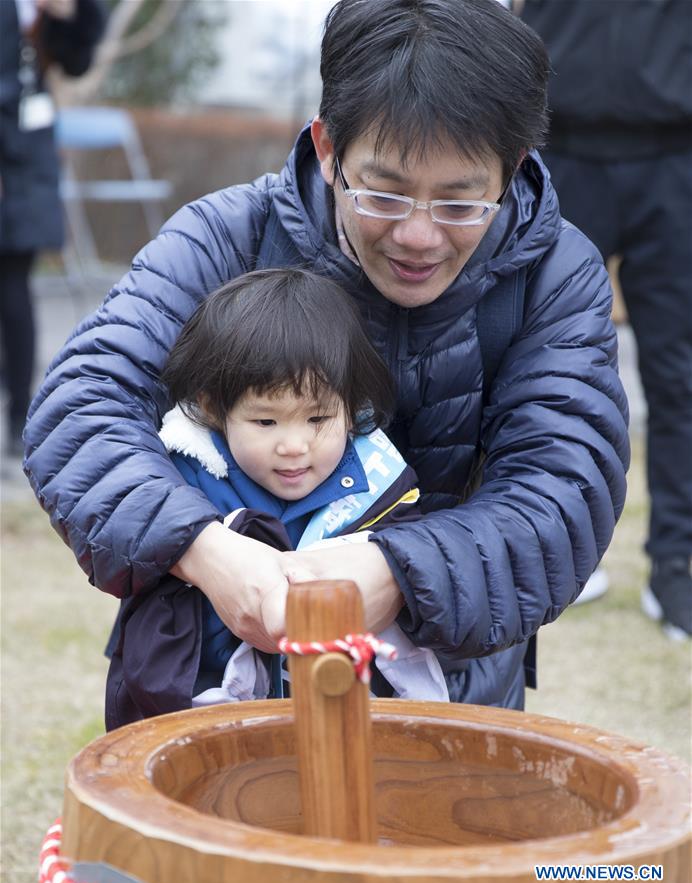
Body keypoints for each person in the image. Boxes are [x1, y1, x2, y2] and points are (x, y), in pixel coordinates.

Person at [24, 0, 630, 713]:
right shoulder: (228, 238)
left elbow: (563, 490)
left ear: (514, 169)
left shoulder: (555, 273)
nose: (418, 236)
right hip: (213, 684)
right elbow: (79, 406)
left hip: (450, 693)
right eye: (385, 192)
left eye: (461, 203)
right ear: (325, 147)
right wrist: (205, 548)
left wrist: (395, 569)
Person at [106, 267, 451, 727]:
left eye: (317, 418)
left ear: (352, 409)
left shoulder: (383, 486)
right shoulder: (181, 485)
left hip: (345, 718)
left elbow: (420, 588)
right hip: (209, 719)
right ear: (213, 409)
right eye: (266, 422)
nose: (294, 445)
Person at [519, 0, 692, 640]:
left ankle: (674, 564)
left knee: (679, 374)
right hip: (560, 146)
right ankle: (547, 545)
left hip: (676, 155)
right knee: (535, 359)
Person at [0, 0, 106, 456]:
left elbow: (77, 62)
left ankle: (18, 420)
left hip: (26, 157)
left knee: (14, 284)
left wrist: (68, 13)